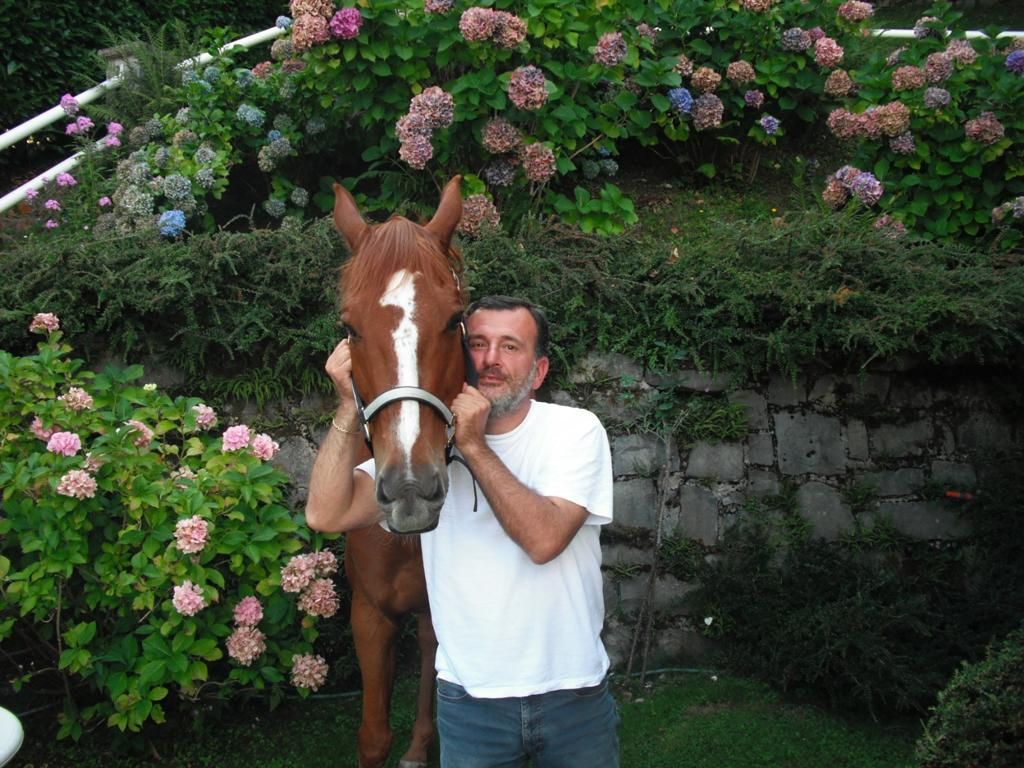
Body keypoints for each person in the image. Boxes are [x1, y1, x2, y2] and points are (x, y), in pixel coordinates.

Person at [306, 295, 618, 768]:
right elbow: (326, 514)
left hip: (572, 695)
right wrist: (350, 405)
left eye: (510, 346)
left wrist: (473, 445)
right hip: (469, 703)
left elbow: (544, 541)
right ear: (455, 357)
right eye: (477, 344)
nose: (490, 359)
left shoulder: (574, 430)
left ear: (538, 371)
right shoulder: (430, 447)